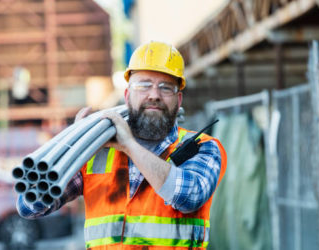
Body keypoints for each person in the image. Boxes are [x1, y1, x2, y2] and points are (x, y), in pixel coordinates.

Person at [17, 41, 227, 249]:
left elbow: (189, 197)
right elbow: (30, 207)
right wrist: (74, 146)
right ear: (127, 96)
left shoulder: (203, 147)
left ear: (178, 100)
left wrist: (129, 146)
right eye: (144, 85)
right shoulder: (97, 152)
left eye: (165, 87)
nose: (154, 94)